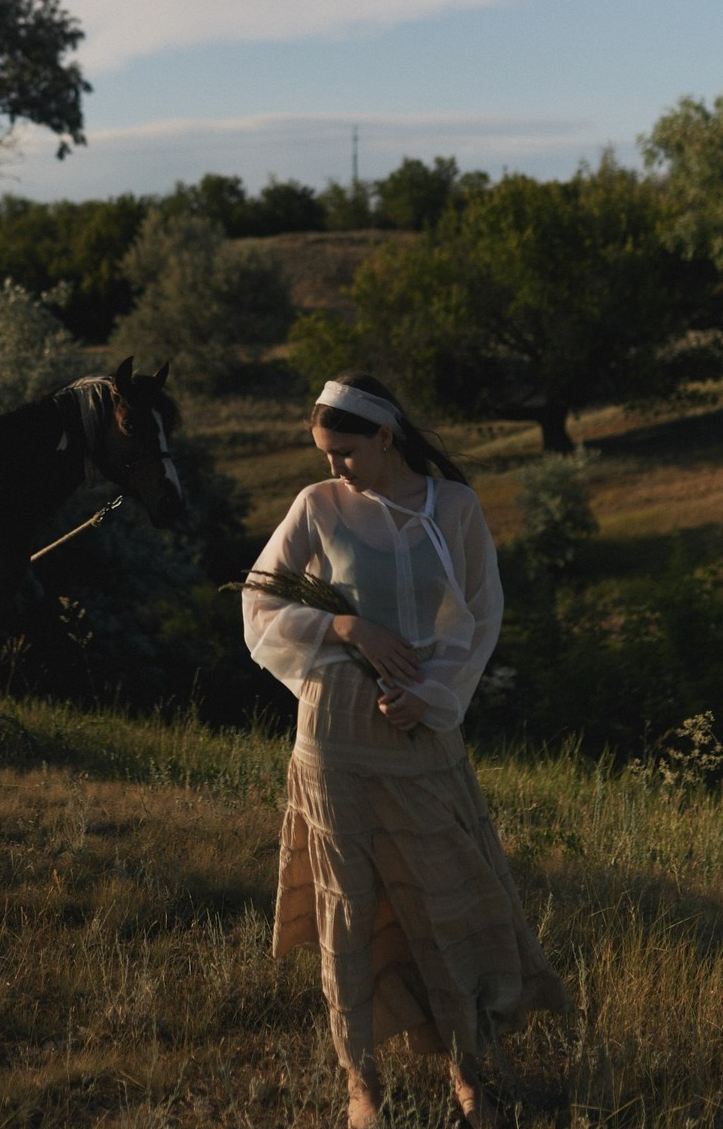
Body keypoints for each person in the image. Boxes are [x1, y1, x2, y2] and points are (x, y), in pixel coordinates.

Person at [241, 373, 567, 1129]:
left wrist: (434, 696)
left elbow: (480, 618)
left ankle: (469, 1075)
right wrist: (345, 628)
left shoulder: (454, 508)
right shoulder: (316, 507)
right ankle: (363, 1084)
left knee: (443, 902)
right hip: (333, 732)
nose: (334, 468)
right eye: (325, 454)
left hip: (422, 726)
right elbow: (259, 598)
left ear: (385, 438)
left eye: (346, 453)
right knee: (347, 908)